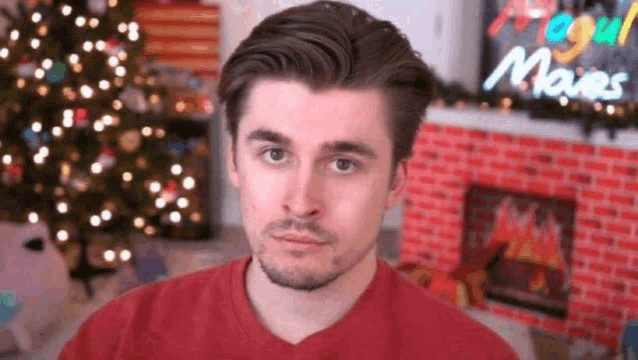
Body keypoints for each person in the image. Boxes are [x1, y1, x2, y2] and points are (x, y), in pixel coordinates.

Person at [59, 1, 519, 359]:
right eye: (275, 154)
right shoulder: (116, 340)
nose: (301, 203)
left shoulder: (478, 354)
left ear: (396, 184)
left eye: (343, 163)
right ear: (236, 163)